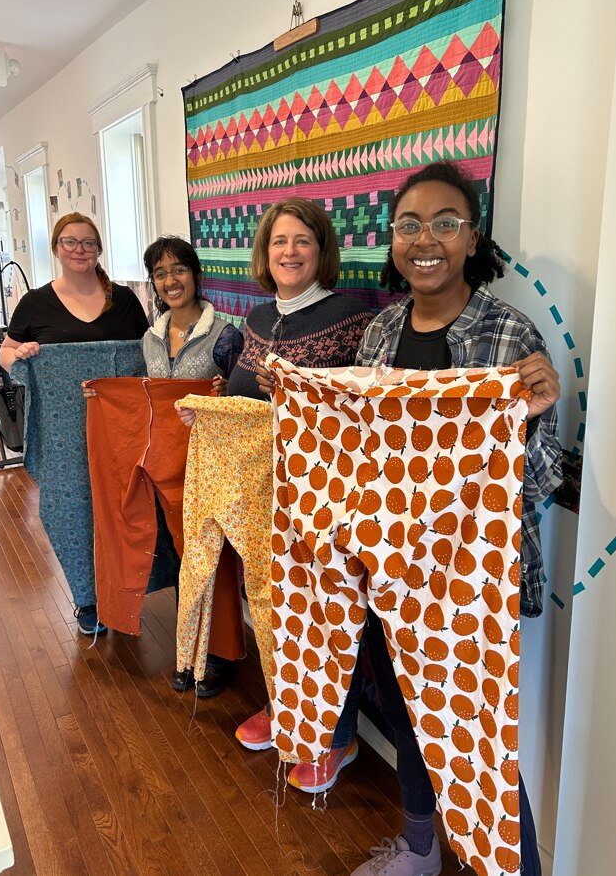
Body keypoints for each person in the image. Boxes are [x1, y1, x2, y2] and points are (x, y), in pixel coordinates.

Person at [348, 161, 563, 876]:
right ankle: (420, 852)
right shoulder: (379, 336)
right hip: (387, 570)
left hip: (469, 587)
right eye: (409, 224)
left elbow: (541, 479)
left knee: (477, 750)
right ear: (392, 241)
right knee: (408, 722)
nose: (426, 238)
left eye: (446, 222)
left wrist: (530, 421)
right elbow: (357, 455)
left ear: (474, 239)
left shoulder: (510, 336)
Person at [179, 197, 374, 794]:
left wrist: (295, 397)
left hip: (317, 494)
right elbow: (240, 391)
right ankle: (285, 708)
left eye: (302, 241)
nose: (289, 252)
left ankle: (336, 739)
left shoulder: (351, 316)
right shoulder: (257, 319)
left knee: (320, 609)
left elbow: (361, 411)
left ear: (322, 251)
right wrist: (212, 414)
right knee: (269, 602)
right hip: (253, 489)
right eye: (279, 242)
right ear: (265, 254)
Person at [85, 234, 244, 697]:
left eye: (178, 270)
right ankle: (190, 647)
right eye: (160, 273)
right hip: (167, 468)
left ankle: (220, 654)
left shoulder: (226, 334)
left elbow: (240, 401)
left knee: (212, 558)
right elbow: (148, 396)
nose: (170, 280)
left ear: (195, 274)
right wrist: (103, 398)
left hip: (211, 465)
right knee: (182, 560)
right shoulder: (151, 337)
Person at [0, 212, 149, 636]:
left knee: (126, 501)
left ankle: (131, 587)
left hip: (122, 426)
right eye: (70, 242)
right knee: (71, 506)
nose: (79, 250)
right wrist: (21, 356)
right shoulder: (35, 302)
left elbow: (147, 354)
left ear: (99, 249)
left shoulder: (123, 300)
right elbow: (6, 354)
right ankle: (87, 596)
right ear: (56, 248)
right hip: (65, 433)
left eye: (87, 243)